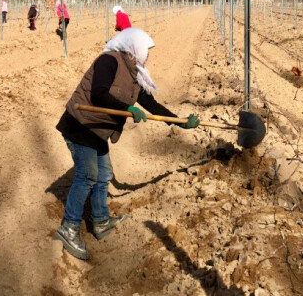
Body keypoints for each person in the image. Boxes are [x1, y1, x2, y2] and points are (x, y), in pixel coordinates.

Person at [52, 28, 200, 260]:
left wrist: (179, 122)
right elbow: (99, 93)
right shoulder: (109, 61)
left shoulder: (135, 75)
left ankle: (100, 221)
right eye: (145, 51)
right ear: (133, 50)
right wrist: (127, 108)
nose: (147, 56)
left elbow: (152, 105)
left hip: (97, 130)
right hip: (80, 125)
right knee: (88, 175)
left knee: (104, 174)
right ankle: (68, 228)